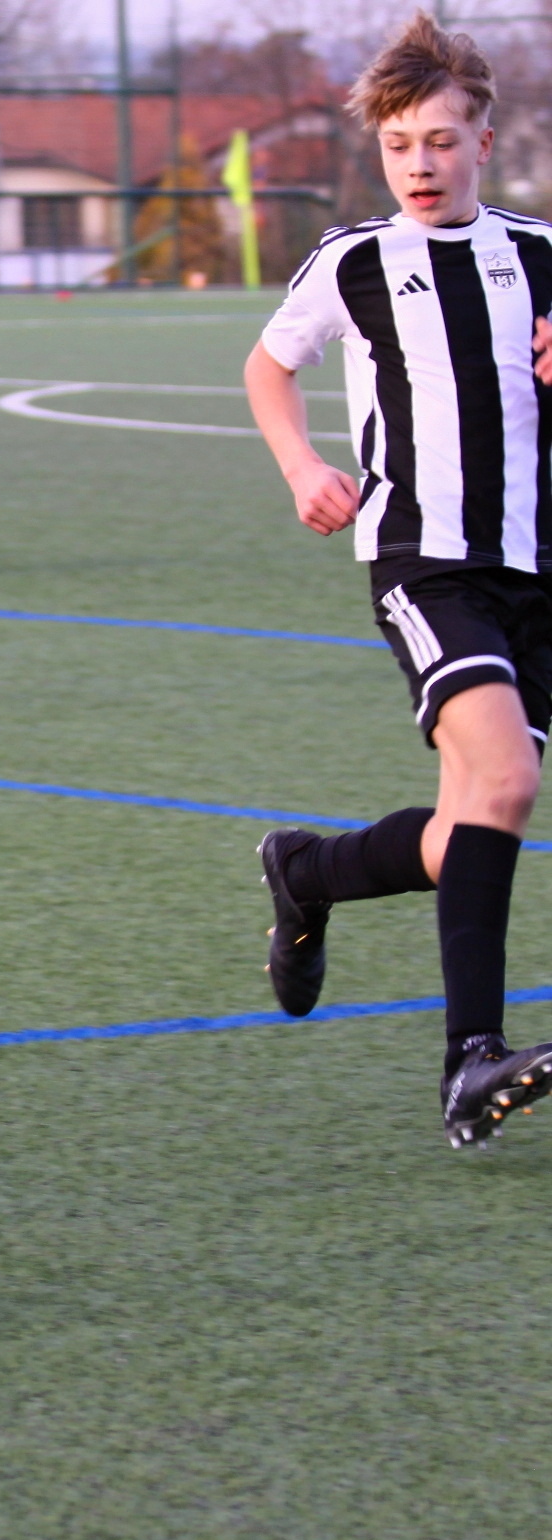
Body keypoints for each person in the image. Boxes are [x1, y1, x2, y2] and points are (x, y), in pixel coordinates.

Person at [243, 13, 552, 1149]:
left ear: (484, 141)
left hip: (536, 569)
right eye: (398, 145)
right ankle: (471, 1060)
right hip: (424, 559)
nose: (418, 164)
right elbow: (268, 366)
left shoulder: (542, 253)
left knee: (473, 818)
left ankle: (310, 872)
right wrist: (301, 466)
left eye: (440, 141)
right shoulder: (356, 261)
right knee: (508, 779)